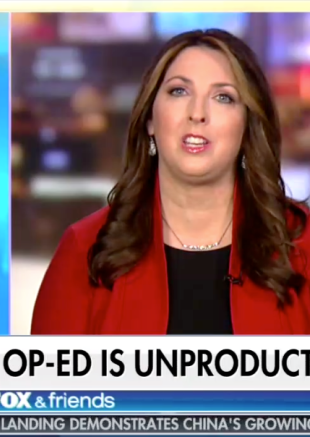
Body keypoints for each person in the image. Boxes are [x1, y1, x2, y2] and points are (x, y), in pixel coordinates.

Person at [31, 29, 310, 335]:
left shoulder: (302, 246)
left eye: (223, 97)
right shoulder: (84, 249)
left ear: (247, 127)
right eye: (179, 91)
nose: (197, 113)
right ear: (150, 119)